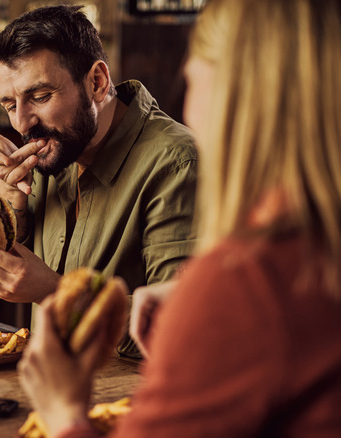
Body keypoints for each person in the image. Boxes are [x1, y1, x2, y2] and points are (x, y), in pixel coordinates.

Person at [19, 0, 341, 436]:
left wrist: (63, 413)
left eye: (191, 81)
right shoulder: (310, 252)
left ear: (236, 101)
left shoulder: (248, 279)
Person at [0, 5, 197, 356]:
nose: (23, 124)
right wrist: (11, 194)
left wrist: (56, 293)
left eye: (40, 97)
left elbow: (180, 328)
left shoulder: (177, 162)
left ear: (97, 82)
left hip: (128, 404)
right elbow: (20, 255)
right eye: (11, 104)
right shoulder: (57, 149)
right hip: (47, 391)